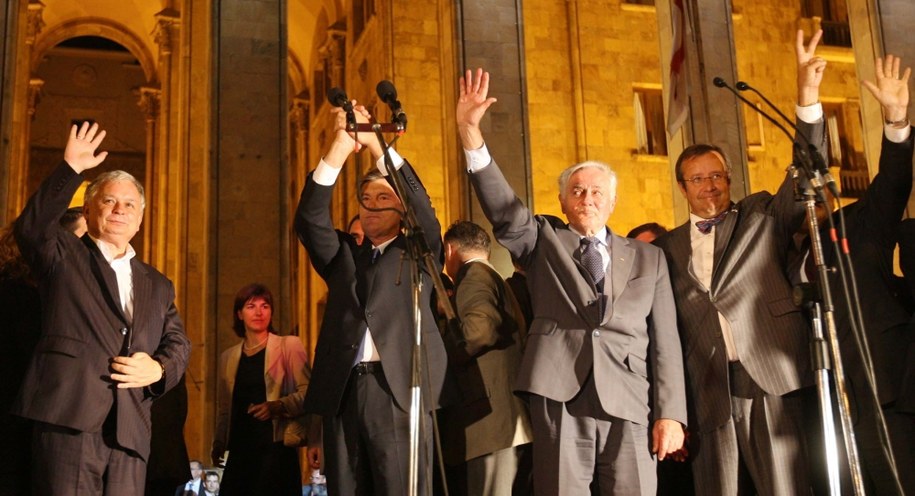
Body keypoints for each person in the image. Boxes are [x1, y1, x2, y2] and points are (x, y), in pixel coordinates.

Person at [457, 69, 687, 495]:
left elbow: (666, 342)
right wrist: (471, 133)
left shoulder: (649, 258)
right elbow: (504, 208)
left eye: (597, 192)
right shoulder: (544, 240)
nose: (588, 198)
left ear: (613, 201)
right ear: (562, 200)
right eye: (577, 191)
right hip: (560, 396)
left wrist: (671, 414)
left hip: (631, 401)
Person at [652, 30, 828, 495]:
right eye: (697, 179)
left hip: (768, 376)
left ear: (729, 179)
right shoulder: (664, 250)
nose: (708, 186)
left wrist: (807, 98)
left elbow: (806, 169)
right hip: (707, 390)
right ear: (683, 188)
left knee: (785, 488)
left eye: (716, 176)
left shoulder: (760, 215)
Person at [11, 121, 191, 495]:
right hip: (70, 418)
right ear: (89, 210)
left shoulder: (157, 284)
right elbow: (31, 228)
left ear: (140, 219)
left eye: (129, 205)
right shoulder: (64, 255)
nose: (119, 210)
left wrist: (158, 369)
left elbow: (179, 345)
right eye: (108, 201)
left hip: (130, 431)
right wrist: (70, 168)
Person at [294, 102, 450, 495]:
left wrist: (378, 147)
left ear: (400, 210)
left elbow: (423, 208)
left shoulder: (418, 251)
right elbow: (309, 219)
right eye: (367, 198)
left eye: (384, 198)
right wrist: (340, 148)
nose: (373, 206)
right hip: (343, 392)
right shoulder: (344, 255)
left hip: (398, 389)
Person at [790, 54, 914, 494]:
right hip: (835, 409)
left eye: (823, 185)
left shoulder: (861, 224)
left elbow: (895, 181)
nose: (817, 193)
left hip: (893, 393)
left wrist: (896, 120)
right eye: (806, 187)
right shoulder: (783, 257)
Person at [439, 220, 532, 496]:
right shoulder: (490, 274)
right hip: (500, 423)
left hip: (489, 426)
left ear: (449, 250)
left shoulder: (474, 276)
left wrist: (437, 350)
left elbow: (477, 332)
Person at [212, 283, 309, 496]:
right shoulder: (228, 357)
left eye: (265, 306)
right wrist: (219, 441)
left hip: (275, 449)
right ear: (239, 314)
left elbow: (308, 393)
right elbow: (225, 407)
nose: (259, 312)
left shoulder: (288, 346)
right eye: (251, 306)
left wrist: (278, 406)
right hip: (240, 449)